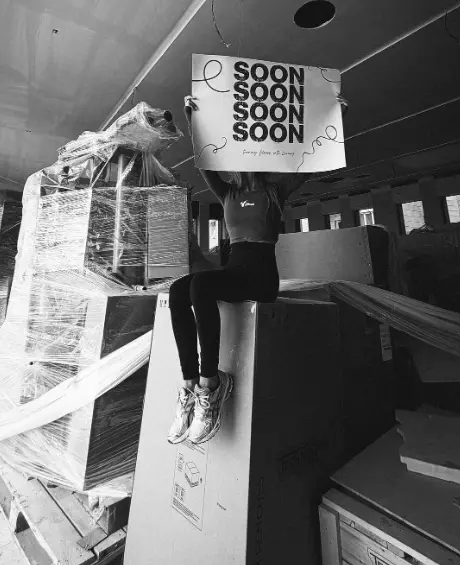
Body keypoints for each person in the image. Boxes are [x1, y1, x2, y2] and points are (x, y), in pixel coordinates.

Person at [168, 93, 348, 445]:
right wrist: (193, 117)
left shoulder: (275, 191)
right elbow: (204, 159)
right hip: (236, 272)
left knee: (200, 287)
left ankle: (210, 383)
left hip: (261, 278)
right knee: (178, 290)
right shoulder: (227, 193)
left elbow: (311, 161)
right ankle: (189, 384)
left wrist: (335, 116)